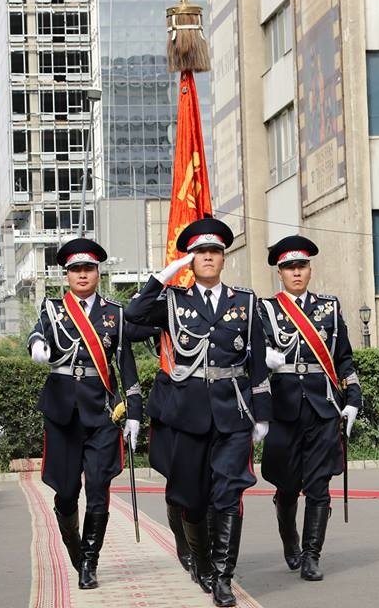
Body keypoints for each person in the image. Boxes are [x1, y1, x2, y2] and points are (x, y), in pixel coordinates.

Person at [124, 218, 270, 608]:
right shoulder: (174, 301)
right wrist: (163, 276)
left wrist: (262, 414)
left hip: (232, 412)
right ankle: (202, 562)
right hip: (187, 414)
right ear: (190, 260)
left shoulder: (246, 302)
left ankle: (223, 577)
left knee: (228, 494)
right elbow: (133, 315)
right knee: (190, 495)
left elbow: (256, 362)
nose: (208, 257)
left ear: (223, 258)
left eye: (214, 252)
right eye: (199, 253)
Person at [28, 237, 145, 590]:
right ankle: (77, 553)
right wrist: (35, 344)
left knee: (98, 487)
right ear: (66, 275)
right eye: (76, 269)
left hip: (101, 415)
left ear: (98, 272)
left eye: (88, 269)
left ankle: (90, 562)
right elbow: (38, 333)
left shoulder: (115, 313)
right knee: (65, 493)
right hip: (63, 414)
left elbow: (126, 367)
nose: (82, 275)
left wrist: (135, 414)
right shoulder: (53, 309)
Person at [257, 235, 362, 582]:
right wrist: (263, 359)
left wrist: (353, 401)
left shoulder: (330, 308)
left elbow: (344, 360)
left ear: (310, 270)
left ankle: (311, 556)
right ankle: (291, 543)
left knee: (319, 486)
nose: (296, 273)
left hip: (322, 408)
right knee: (287, 486)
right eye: (289, 267)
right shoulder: (265, 310)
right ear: (280, 273)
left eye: (301, 266)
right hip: (283, 410)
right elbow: (247, 357)